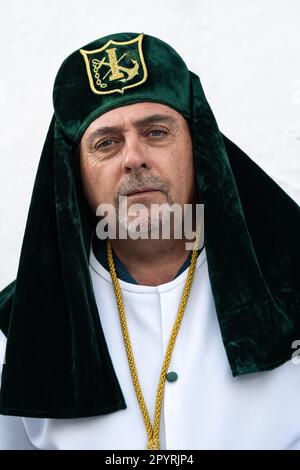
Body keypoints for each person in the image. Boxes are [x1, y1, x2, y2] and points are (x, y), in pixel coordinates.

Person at [0, 32, 299, 450]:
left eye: (156, 132)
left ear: (200, 147)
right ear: (73, 173)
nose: (133, 157)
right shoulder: (17, 326)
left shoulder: (290, 289)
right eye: (106, 143)